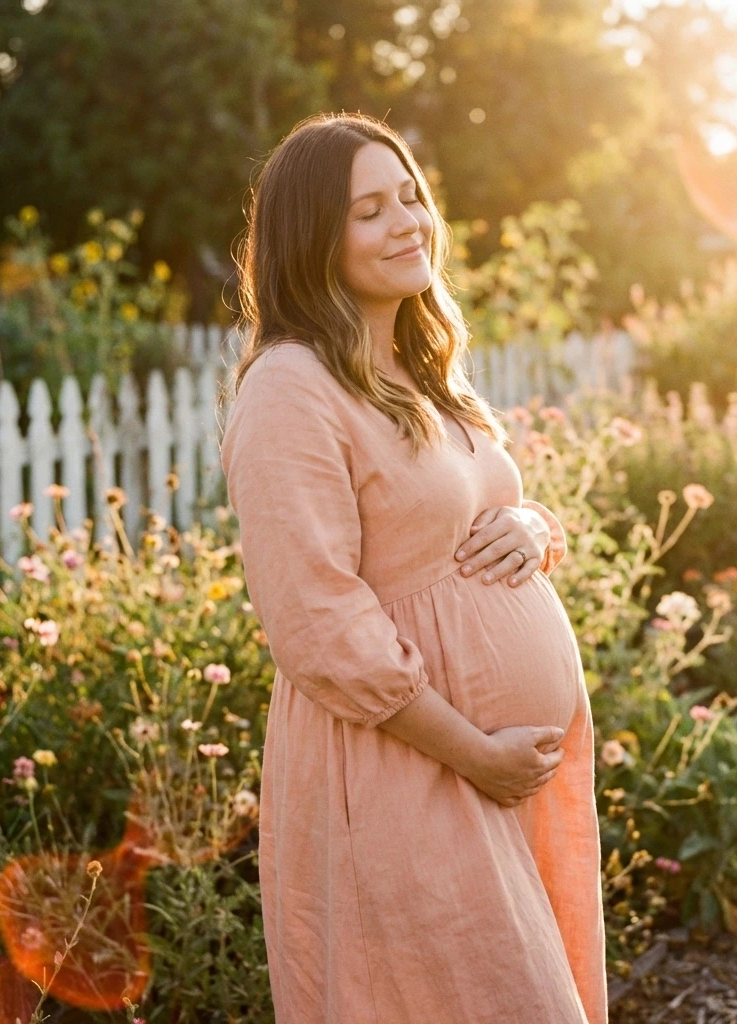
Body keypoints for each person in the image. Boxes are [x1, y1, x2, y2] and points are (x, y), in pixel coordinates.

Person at [220, 111, 606, 1024]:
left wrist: (530, 522)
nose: (407, 223)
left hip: (494, 774)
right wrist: (474, 752)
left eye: (411, 199)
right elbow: (316, 621)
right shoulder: (291, 386)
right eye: (368, 211)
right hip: (403, 766)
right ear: (311, 236)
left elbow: (468, 513)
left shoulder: (421, 371)